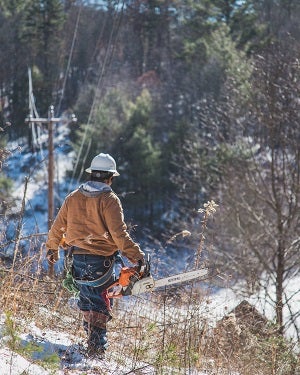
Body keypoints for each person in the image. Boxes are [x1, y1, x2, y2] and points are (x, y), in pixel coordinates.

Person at [45, 153, 145, 358]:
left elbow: (57, 226)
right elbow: (119, 234)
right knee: (99, 303)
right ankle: (96, 352)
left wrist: (52, 248)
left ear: (92, 175)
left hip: (76, 260)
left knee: (88, 301)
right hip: (101, 260)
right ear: (110, 178)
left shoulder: (73, 197)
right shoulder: (109, 199)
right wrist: (137, 256)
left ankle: (92, 346)